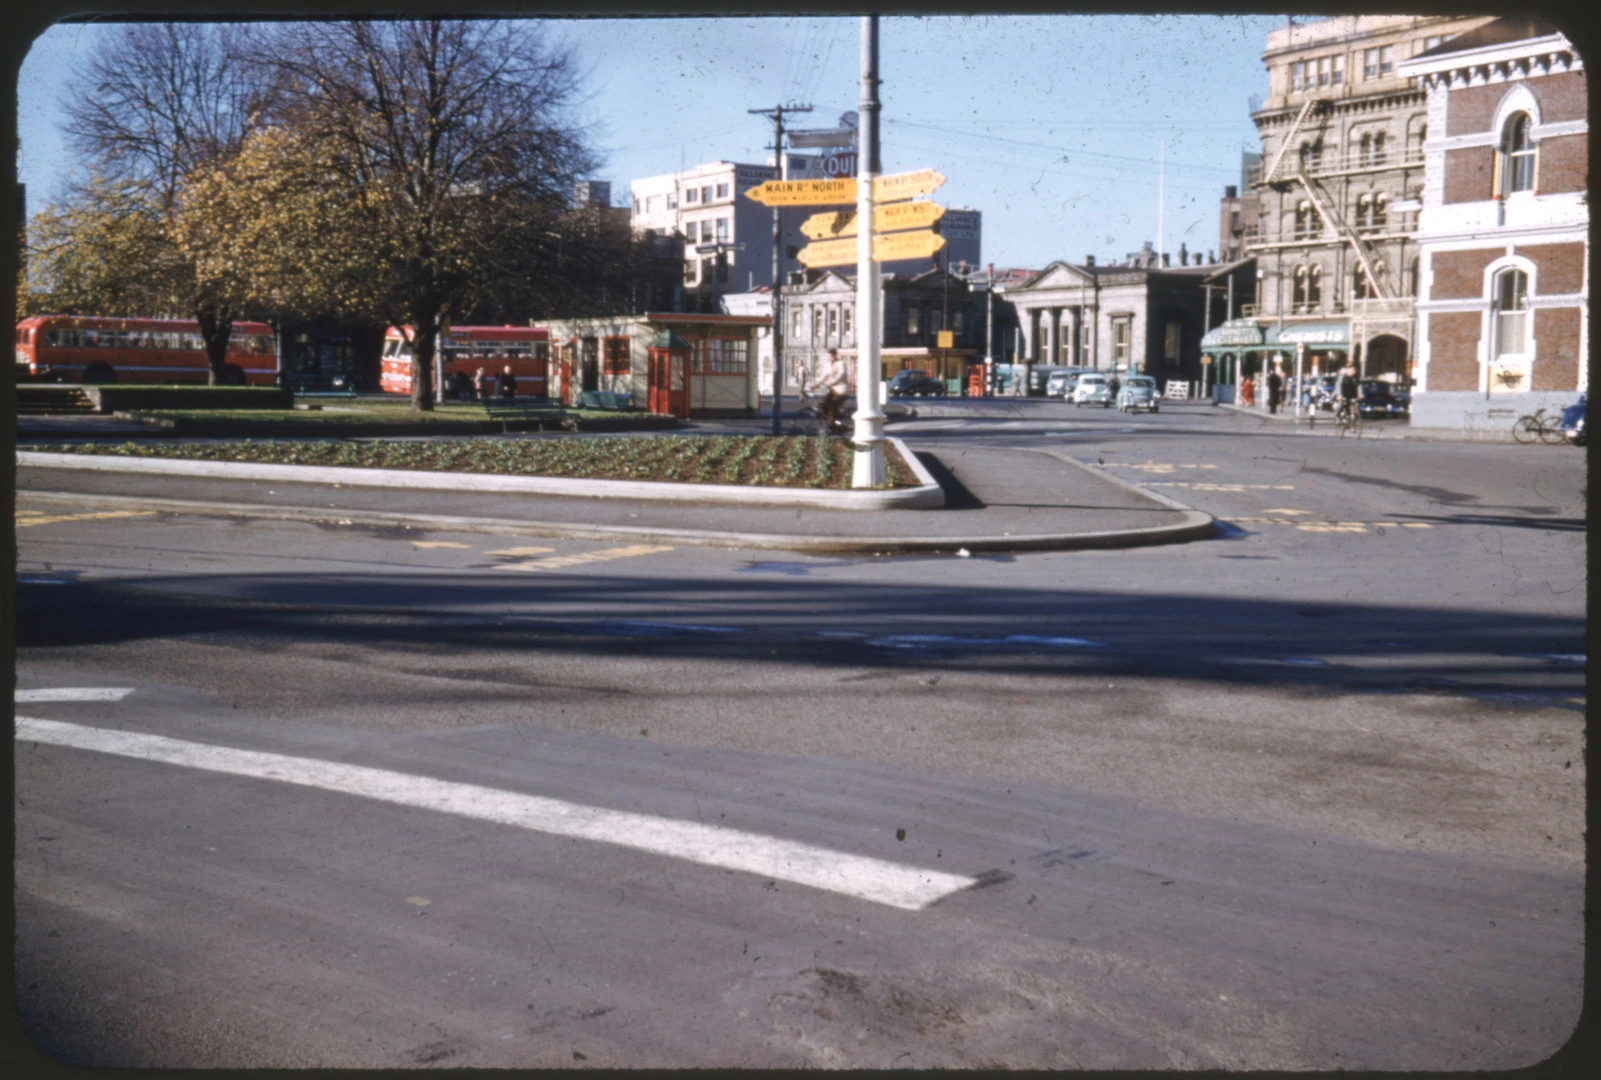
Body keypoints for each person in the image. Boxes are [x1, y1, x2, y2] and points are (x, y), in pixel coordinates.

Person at [808, 347, 851, 433]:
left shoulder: (841, 363)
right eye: (828, 357)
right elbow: (824, 377)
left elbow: (841, 375)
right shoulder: (828, 365)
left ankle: (835, 425)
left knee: (832, 406)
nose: (829, 358)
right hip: (832, 389)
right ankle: (831, 422)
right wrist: (815, 385)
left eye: (831, 356)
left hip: (841, 390)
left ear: (835, 356)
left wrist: (831, 382)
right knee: (822, 403)